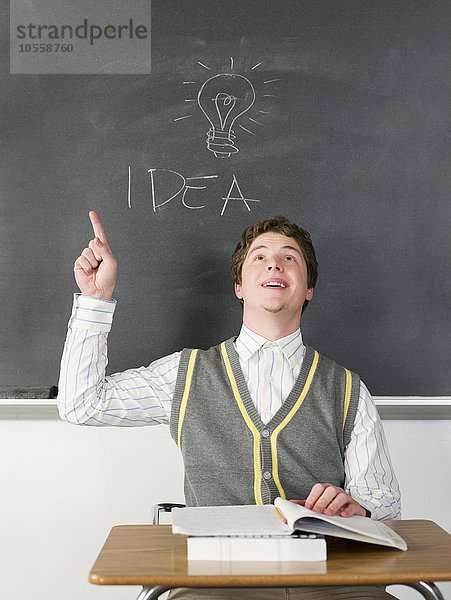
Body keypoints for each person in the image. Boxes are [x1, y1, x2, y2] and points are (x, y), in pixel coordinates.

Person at [58, 211, 401, 599]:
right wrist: (95, 301)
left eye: (290, 258)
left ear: (308, 290)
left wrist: (359, 509)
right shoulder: (183, 375)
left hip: (329, 579)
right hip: (215, 580)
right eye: (260, 256)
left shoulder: (348, 389)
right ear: (239, 286)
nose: (274, 262)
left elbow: (385, 502)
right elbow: (82, 405)